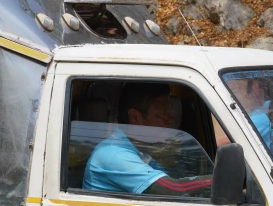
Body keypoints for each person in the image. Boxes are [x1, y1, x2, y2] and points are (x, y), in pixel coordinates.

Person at [83, 83, 212, 197]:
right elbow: (172, 189)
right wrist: (222, 181)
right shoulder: (113, 155)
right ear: (135, 117)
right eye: (162, 114)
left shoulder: (141, 149)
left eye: (169, 112)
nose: (170, 119)